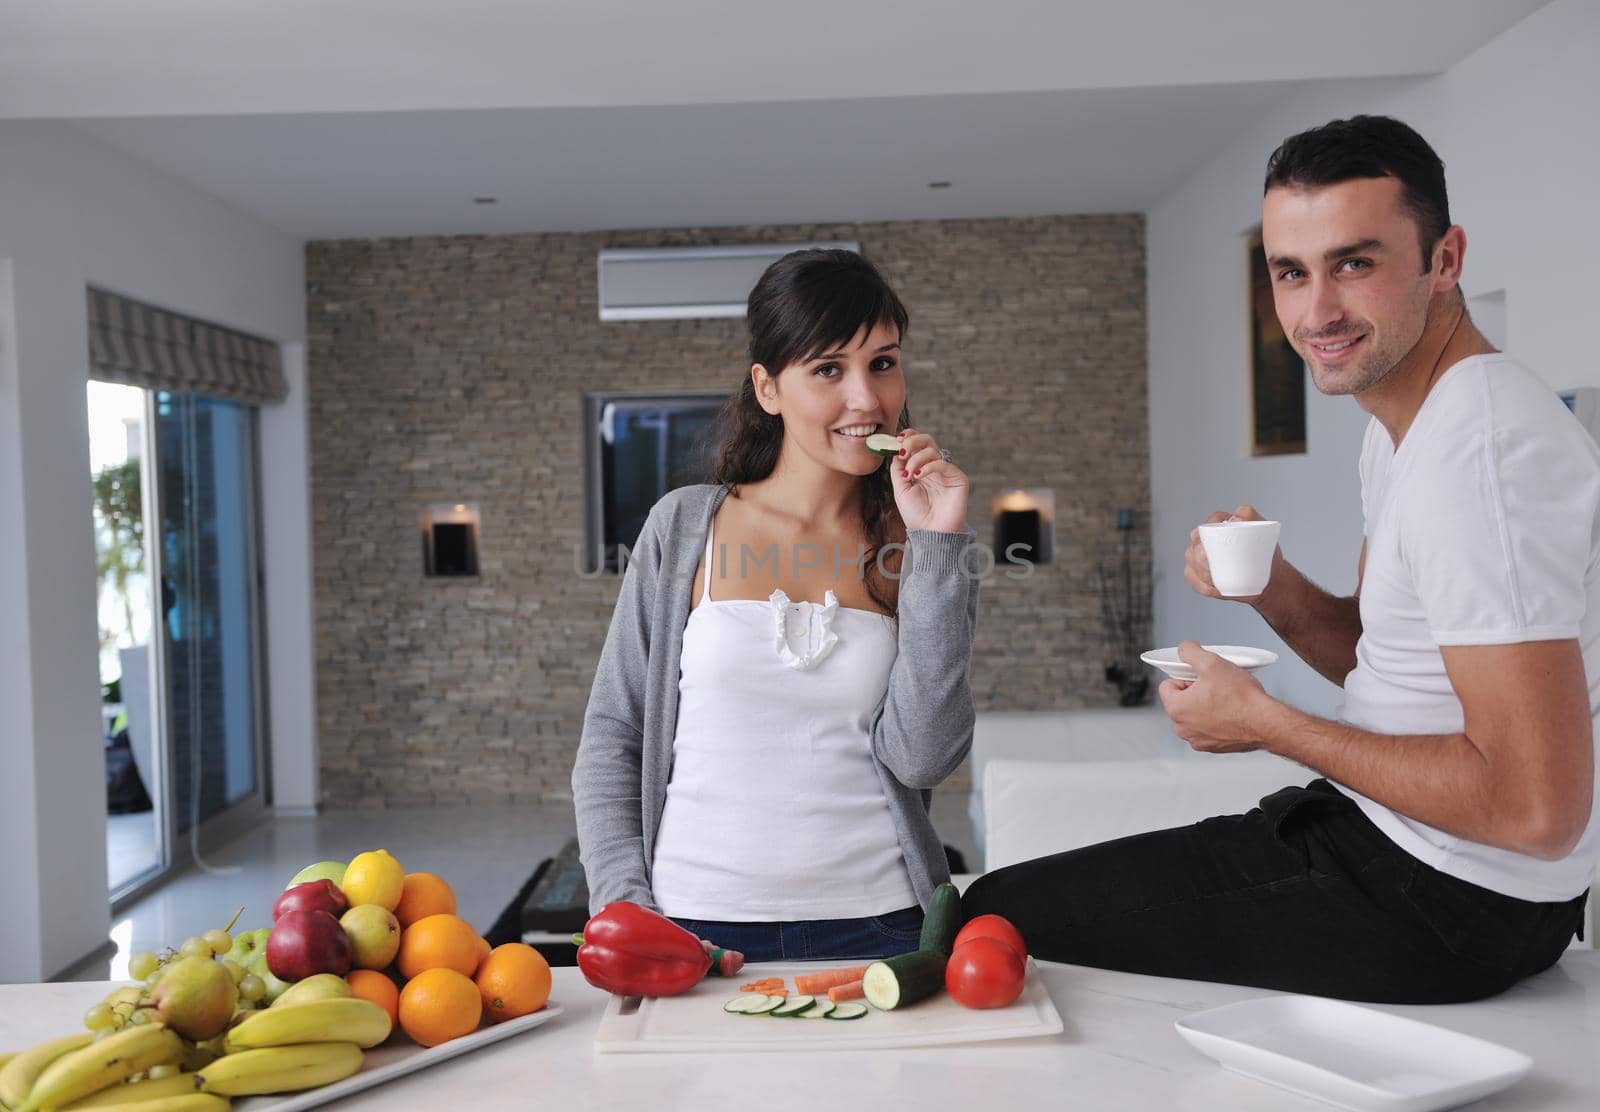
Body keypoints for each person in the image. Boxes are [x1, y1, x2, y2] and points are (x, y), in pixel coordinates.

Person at [963, 115, 1598, 1004]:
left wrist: (1268, 725)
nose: (1316, 313)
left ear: (1445, 258)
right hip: (1414, 855)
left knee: (993, 918)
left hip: (1443, 898)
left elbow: (1537, 808)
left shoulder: (1478, 456)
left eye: (1356, 263)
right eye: (1291, 273)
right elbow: (1385, 661)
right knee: (1011, 907)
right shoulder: (1413, 422)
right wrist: (1274, 590)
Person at [573, 248, 980, 962]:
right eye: (829, 369)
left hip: (884, 925)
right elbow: (614, 733)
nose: (867, 397)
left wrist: (938, 547)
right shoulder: (685, 526)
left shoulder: (913, 542)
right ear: (768, 388)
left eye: (882, 362)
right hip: (691, 925)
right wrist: (624, 905)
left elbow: (924, 758)